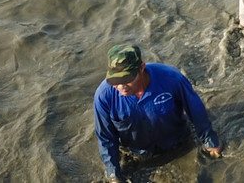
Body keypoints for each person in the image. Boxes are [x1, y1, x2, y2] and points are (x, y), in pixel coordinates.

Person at [93, 43, 221, 181]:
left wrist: (211, 142)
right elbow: (106, 138)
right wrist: (113, 175)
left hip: (178, 144)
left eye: (127, 79)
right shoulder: (104, 96)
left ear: (141, 68)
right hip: (137, 154)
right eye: (116, 81)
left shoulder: (172, 78)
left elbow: (195, 109)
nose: (121, 86)